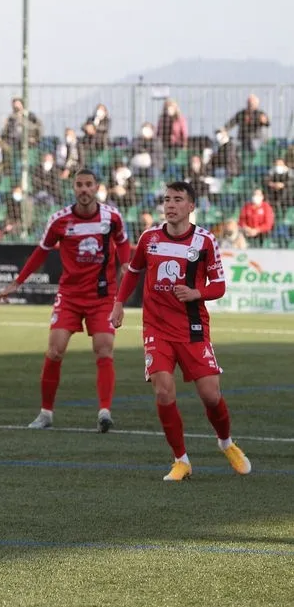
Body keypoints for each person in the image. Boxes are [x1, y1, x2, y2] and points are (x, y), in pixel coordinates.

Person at [110, 182, 251, 481]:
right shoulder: (149, 238)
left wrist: (196, 293)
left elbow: (219, 286)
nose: (170, 205)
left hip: (193, 328)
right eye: (167, 199)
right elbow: (133, 272)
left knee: (211, 395)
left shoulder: (205, 241)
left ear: (191, 206)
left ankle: (226, 443)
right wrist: (119, 303)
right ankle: (181, 460)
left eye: (177, 199)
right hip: (157, 328)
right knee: (163, 391)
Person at [0, 169, 130, 432]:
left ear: (97, 188)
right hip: (69, 296)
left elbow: (123, 242)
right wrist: (17, 282)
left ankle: (104, 412)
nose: (84, 189)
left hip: (102, 296)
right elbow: (41, 251)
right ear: (74, 188)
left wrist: (125, 264)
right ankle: (46, 413)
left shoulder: (112, 217)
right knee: (55, 350)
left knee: (104, 349)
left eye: (88, 184)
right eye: (79, 185)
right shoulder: (59, 220)